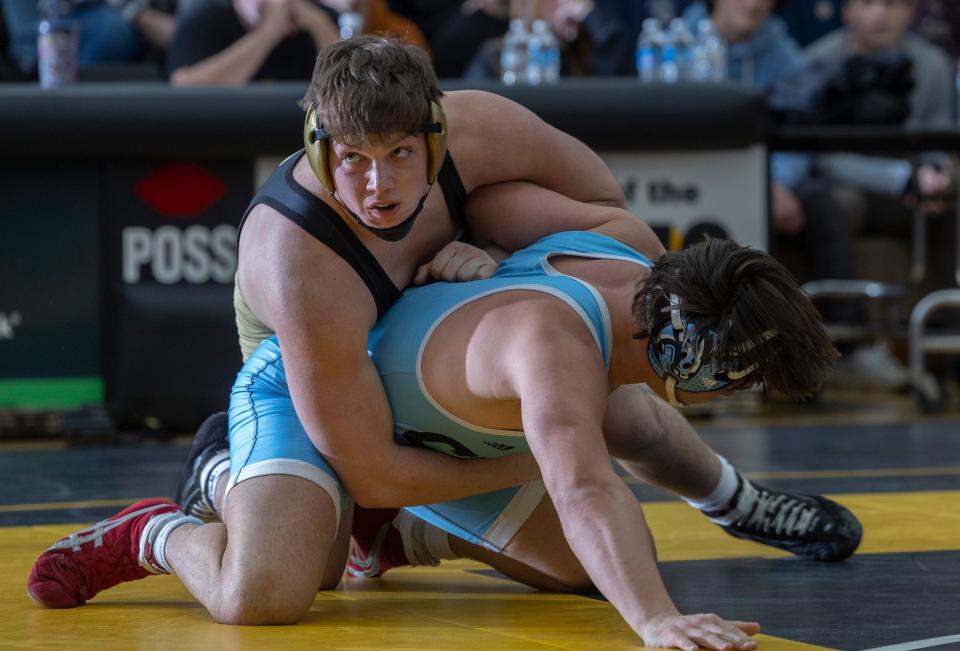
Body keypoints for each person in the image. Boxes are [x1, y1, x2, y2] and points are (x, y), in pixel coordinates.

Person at [26, 35, 664, 626]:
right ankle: (164, 526)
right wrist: (545, 462)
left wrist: (499, 256)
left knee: (591, 565)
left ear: (439, 142)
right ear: (317, 147)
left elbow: (608, 216)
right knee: (268, 591)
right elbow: (375, 470)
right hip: (306, 383)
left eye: (400, 155)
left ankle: (388, 535)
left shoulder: (488, 129)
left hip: (412, 382)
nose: (377, 186)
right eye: (352, 158)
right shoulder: (300, 257)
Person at [801, 0, 955, 386]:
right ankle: (847, 345)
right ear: (847, 11)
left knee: (950, 204)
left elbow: (940, 141)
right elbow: (818, 157)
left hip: (910, 190)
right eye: (867, 3)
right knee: (834, 203)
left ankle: (946, 341)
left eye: (891, 3)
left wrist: (937, 175)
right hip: (847, 186)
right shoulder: (816, 61)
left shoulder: (932, 64)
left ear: (910, 11)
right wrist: (901, 177)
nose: (879, 15)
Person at [166, 0, 426, 85]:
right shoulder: (204, 21)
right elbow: (185, 87)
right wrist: (267, 34)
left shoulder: (318, 18)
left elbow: (358, 84)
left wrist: (317, 24)